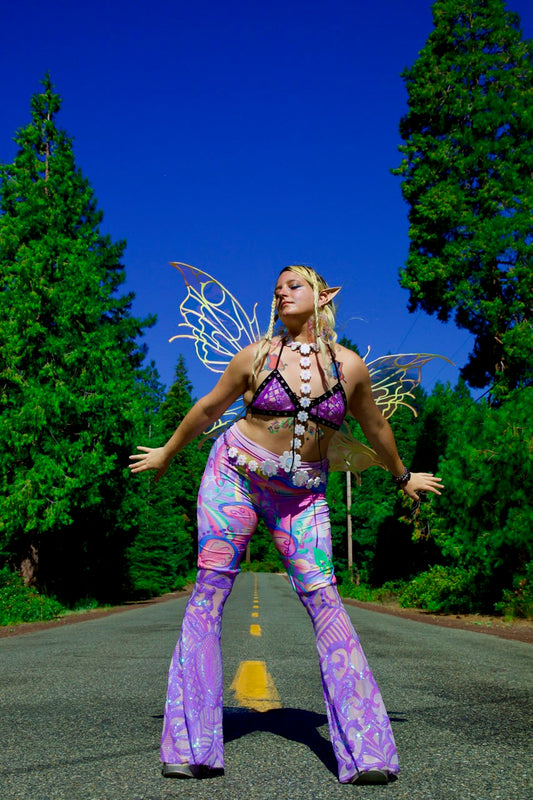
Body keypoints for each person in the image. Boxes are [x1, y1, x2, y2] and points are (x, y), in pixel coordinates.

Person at [129, 265, 443, 785]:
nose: (281, 293)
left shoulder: (349, 367)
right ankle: (189, 746)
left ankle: (367, 751)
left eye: (293, 285)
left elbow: (376, 426)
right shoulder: (256, 356)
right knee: (209, 592)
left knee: (326, 601)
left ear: (324, 295)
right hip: (234, 475)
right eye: (277, 289)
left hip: (302, 496)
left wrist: (403, 475)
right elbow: (208, 408)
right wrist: (167, 451)